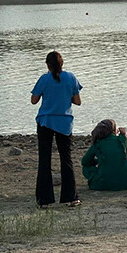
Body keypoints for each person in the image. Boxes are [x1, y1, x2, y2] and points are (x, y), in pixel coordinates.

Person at [31, 51, 82, 207]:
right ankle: (71, 197)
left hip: (46, 121)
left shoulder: (44, 79)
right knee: (66, 159)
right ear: (62, 63)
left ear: (47, 64)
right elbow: (78, 101)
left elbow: (34, 100)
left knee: (44, 159)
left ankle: (44, 200)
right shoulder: (71, 78)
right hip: (64, 122)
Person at [81, 119, 127, 191]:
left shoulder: (98, 143)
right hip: (126, 183)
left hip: (102, 184)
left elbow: (85, 162)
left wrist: (98, 161)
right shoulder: (121, 139)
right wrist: (125, 136)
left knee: (86, 168)